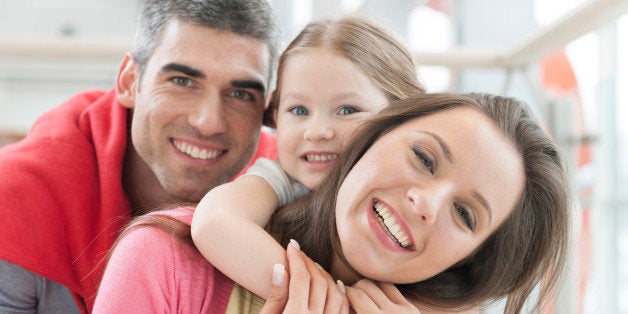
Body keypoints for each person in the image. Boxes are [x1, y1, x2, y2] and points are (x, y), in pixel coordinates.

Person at [93, 92, 571, 313]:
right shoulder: (163, 260)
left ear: (469, 260)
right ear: (368, 139)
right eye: (424, 158)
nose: (426, 202)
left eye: (465, 215)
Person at [0, 0, 280, 312]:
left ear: (268, 111)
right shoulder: (16, 197)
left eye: (241, 94)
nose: (209, 122)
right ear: (129, 82)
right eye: (182, 81)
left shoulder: (292, 191)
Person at [191, 14, 425, 301]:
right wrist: (325, 300)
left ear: (403, 116)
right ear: (276, 117)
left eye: (347, 110)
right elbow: (214, 223)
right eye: (299, 111)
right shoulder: (282, 178)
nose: (316, 132)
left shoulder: (421, 196)